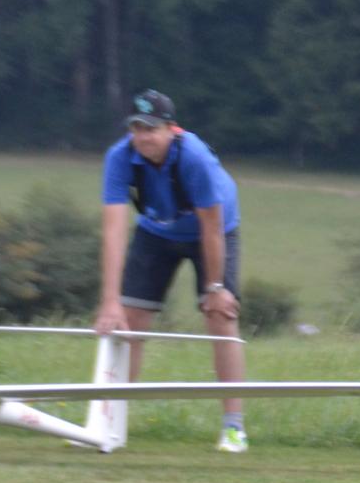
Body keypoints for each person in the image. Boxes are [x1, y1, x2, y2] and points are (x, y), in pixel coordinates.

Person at [93, 89, 248, 452]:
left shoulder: (194, 157)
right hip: (156, 230)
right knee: (127, 320)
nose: (143, 137)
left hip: (212, 231)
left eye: (151, 129)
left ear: (171, 129)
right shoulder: (119, 157)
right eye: (136, 128)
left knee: (220, 317)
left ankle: (233, 427)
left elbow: (212, 227)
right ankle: (109, 423)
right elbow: (114, 231)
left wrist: (215, 287)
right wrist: (110, 300)